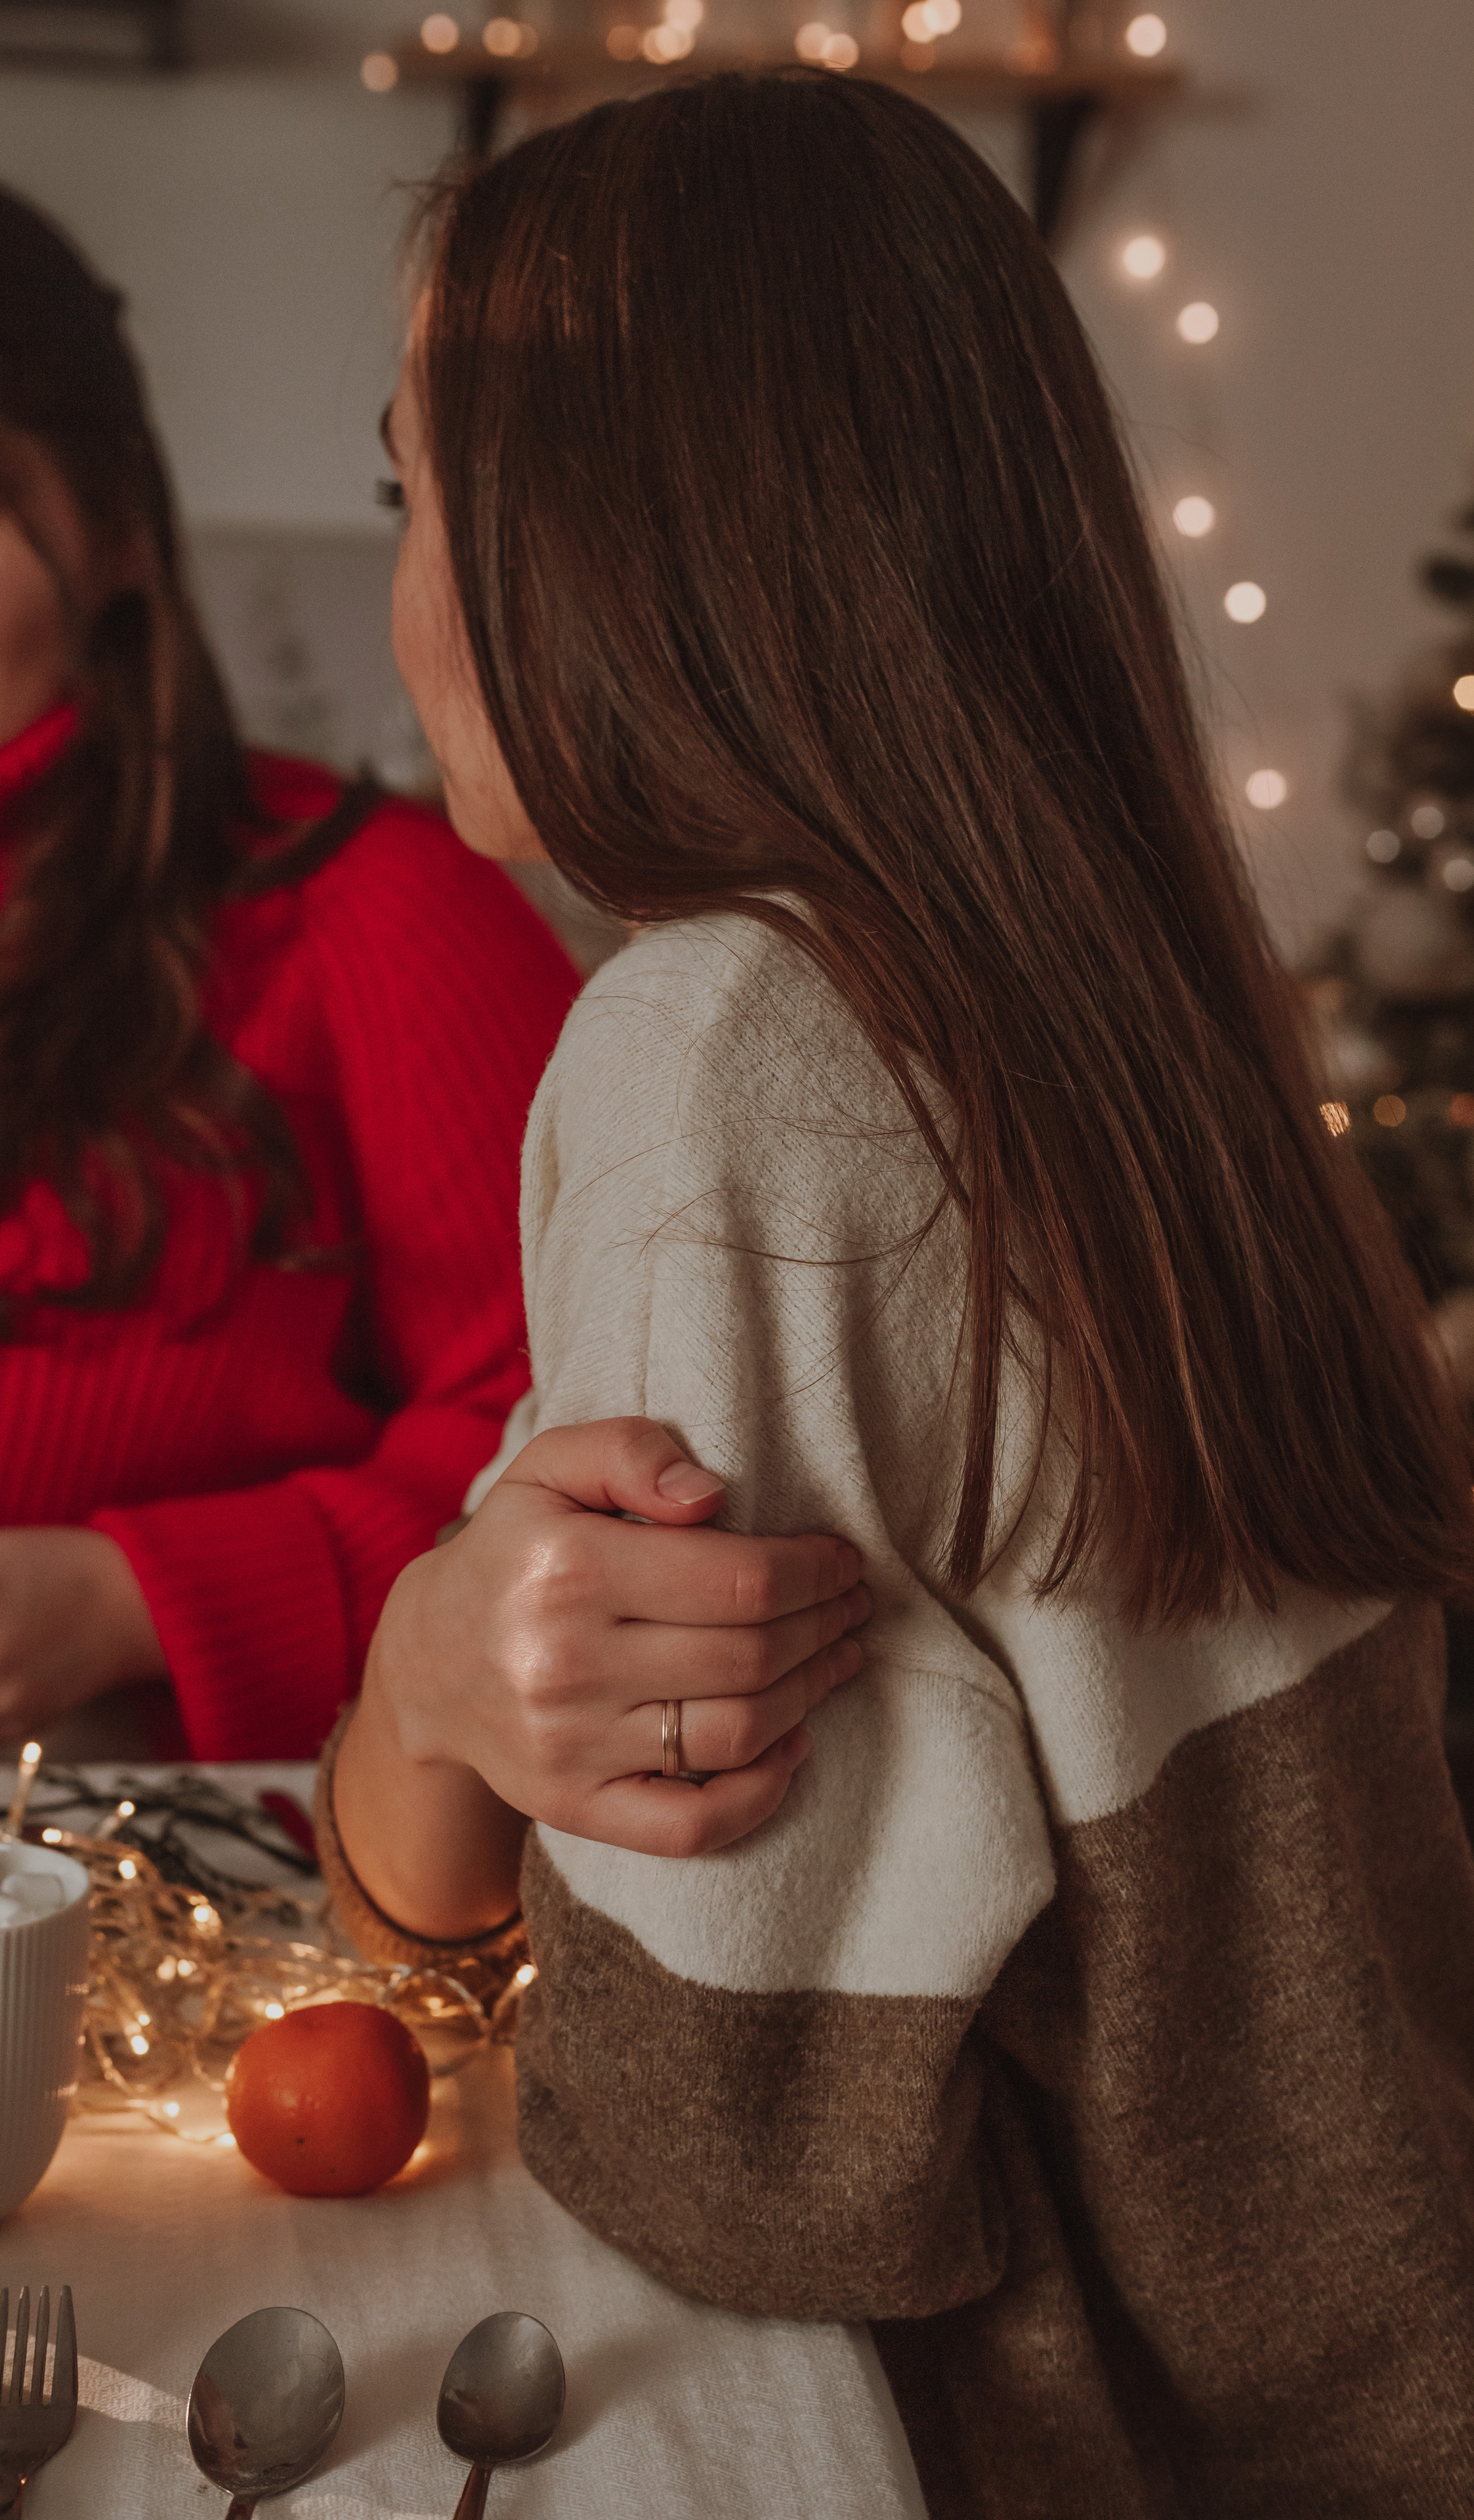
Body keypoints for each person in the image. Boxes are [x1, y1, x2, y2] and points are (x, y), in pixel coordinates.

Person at [319, 72, 1474, 2512]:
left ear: (611, 544)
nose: (401, 591)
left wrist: (424, 1676)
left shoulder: (716, 1051)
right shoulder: (1151, 1013)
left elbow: (734, 2162)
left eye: (421, 497)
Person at [0, 163, 593, 1766]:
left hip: (176, 1876)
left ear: (113, 531)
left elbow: (576, 1447)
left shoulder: (369, 910)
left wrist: (143, 1598)